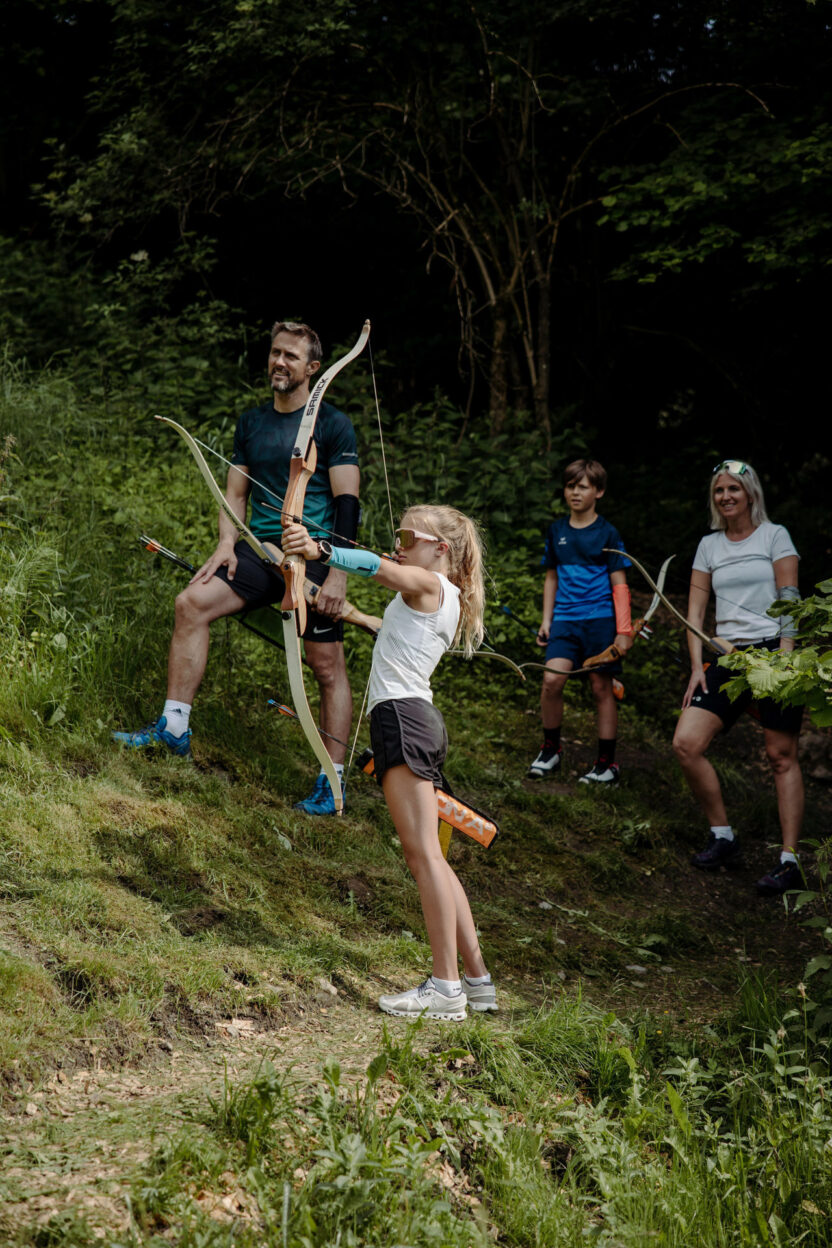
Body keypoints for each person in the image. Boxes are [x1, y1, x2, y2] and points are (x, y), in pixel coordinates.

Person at [113, 320, 360, 816]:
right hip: (256, 551)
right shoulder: (251, 423)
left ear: (314, 368)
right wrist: (227, 543)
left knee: (326, 667)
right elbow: (235, 493)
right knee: (191, 603)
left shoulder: (334, 424)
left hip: (312, 560)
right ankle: (174, 729)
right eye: (275, 353)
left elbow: (348, 503)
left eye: (291, 356)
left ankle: (332, 782)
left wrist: (338, 573)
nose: (279, 362)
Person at [283, 504, 497, 1020]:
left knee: (423, 856)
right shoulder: (440, 594)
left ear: (440, 549)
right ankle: (477, 982)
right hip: (415, 720)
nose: (397, 545)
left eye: (407, 537)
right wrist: (351, 611)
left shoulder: (427, 582)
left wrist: (320, 550)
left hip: (402, 720)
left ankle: (445, 989)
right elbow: (396, 622)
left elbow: (379, 568)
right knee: (432, 856)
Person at [673, 460, 804, 895]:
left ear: (750, 493)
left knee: (780, 755)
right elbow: (694, 616)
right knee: (686, 743)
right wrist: (697, 668)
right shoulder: (709, 545)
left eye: (733, 488)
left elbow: (790, 601)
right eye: (719, 490)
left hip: (774, 653)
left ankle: (789, 861)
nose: (726, 496)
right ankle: (723, 836)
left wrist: (785, 660)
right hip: (727, 656)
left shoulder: (775, 536)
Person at [529, 458, 633, 784]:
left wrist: (624, 630)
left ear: (598, 492)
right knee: (551, 681)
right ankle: (550, 750)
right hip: (564, 620)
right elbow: (551, 577)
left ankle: (606, 764)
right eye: (570, 486)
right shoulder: (557, 530)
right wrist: (546, 620)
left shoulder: (608, 533)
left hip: (600, 620)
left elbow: (620, 585)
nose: (575, 492)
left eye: (583, 487)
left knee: (601, 687)